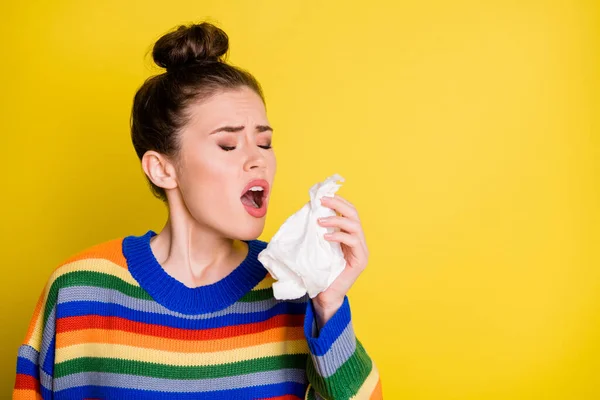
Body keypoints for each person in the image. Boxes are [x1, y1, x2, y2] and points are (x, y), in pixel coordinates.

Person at [13, 22, 382, 400]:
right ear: (162, 168)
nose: (258, 161)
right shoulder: (80, 290)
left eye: (265, 142)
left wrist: (328, 303)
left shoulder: (293, 291)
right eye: (227, 144)